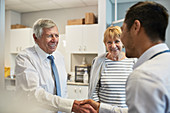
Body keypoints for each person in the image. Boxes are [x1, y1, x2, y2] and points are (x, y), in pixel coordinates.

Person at [82, 1, 170, 113]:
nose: (122, 39)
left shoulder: (143, 76)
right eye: (109, 42)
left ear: (136, 27)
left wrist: (101, 109)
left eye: (123, 30)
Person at [15, 18, 96, 113]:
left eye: (56, 35)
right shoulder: (25, 58)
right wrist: (71, 105)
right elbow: (33, 94)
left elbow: (63, 92)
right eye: (49, 36)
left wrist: (67, 108)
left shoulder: (59, 57)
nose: (54, 40)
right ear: (36, 38)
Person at [88, 26, 136, 108]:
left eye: (117, 41)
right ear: (105, 44)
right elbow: (93, 90)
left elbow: (136, 91)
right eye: (109, 42)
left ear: (123, 42)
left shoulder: (133, 61)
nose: (113, 46)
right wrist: (99, 108)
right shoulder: (99, 62)